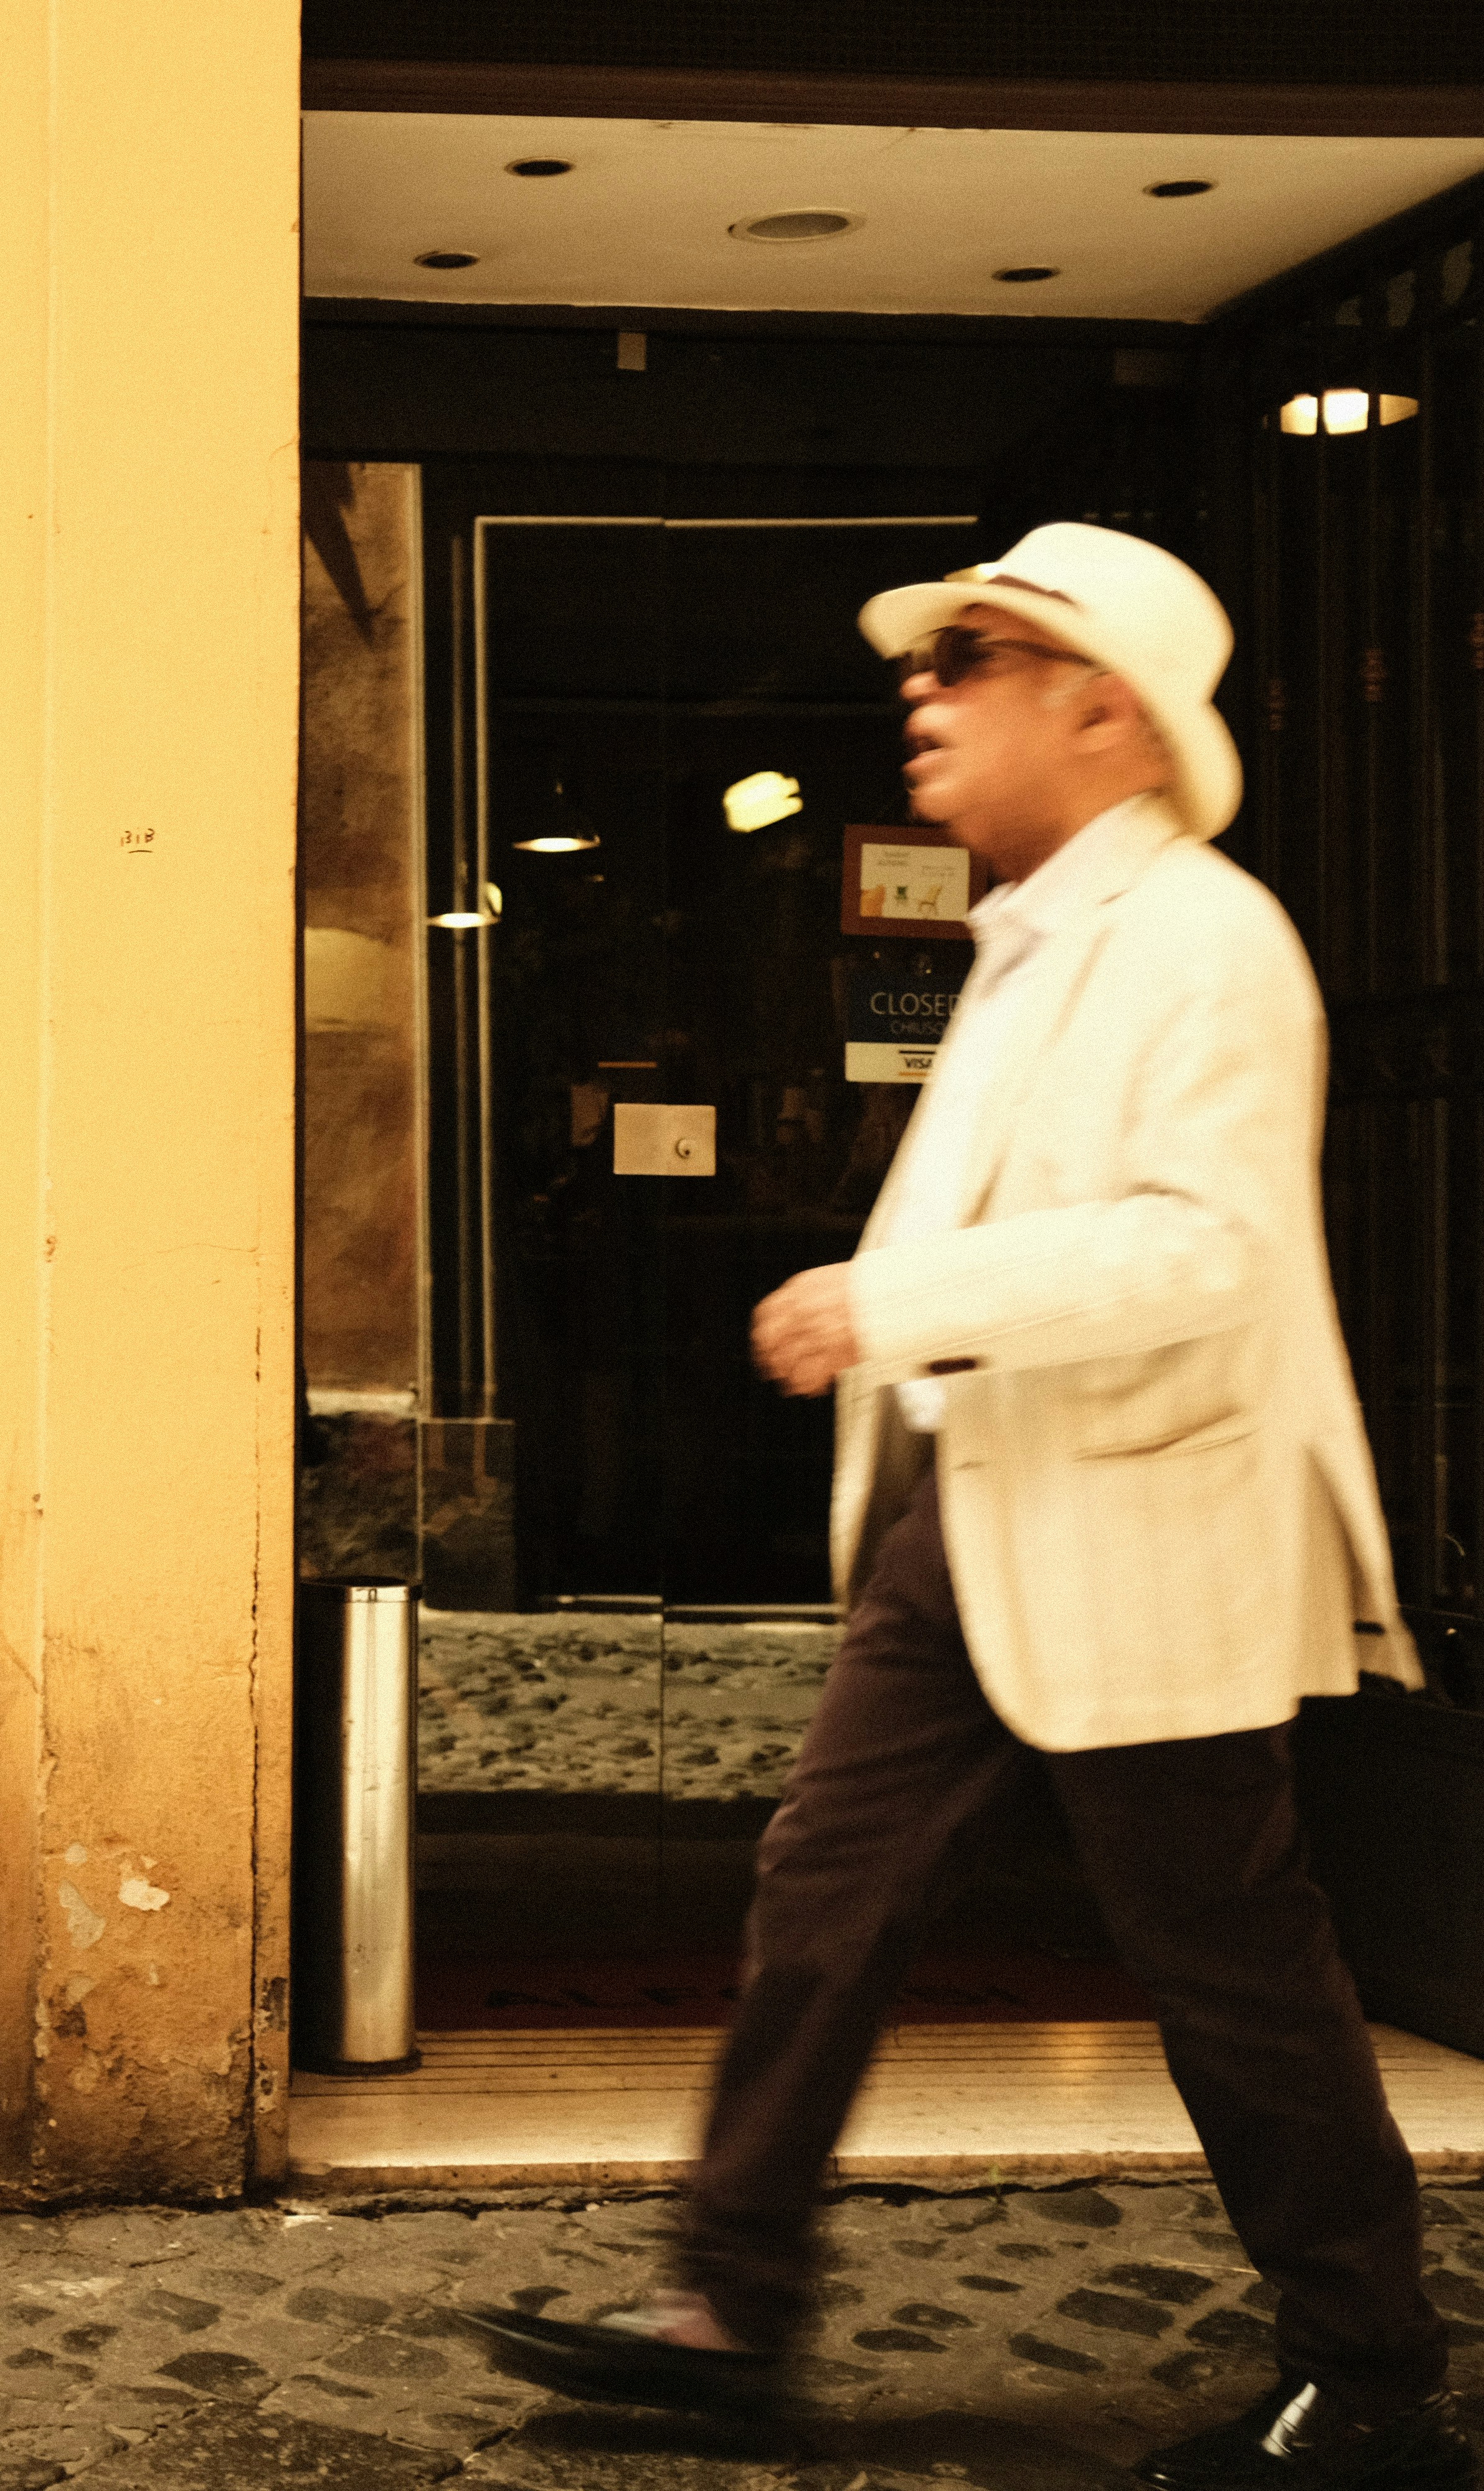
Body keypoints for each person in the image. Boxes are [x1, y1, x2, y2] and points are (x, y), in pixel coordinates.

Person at [470, 524, 1468, 2491]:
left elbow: (1204, 1254)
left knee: (1226, 1965)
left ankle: (1366, 2374)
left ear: (1100, 710)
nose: (919, 687)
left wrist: (888, 1307)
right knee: (822, 1890)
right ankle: (727, 2308)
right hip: (978, 1509)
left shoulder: (1202, 937)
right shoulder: (1028, 934)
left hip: (1141, 1523)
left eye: (971, 655)